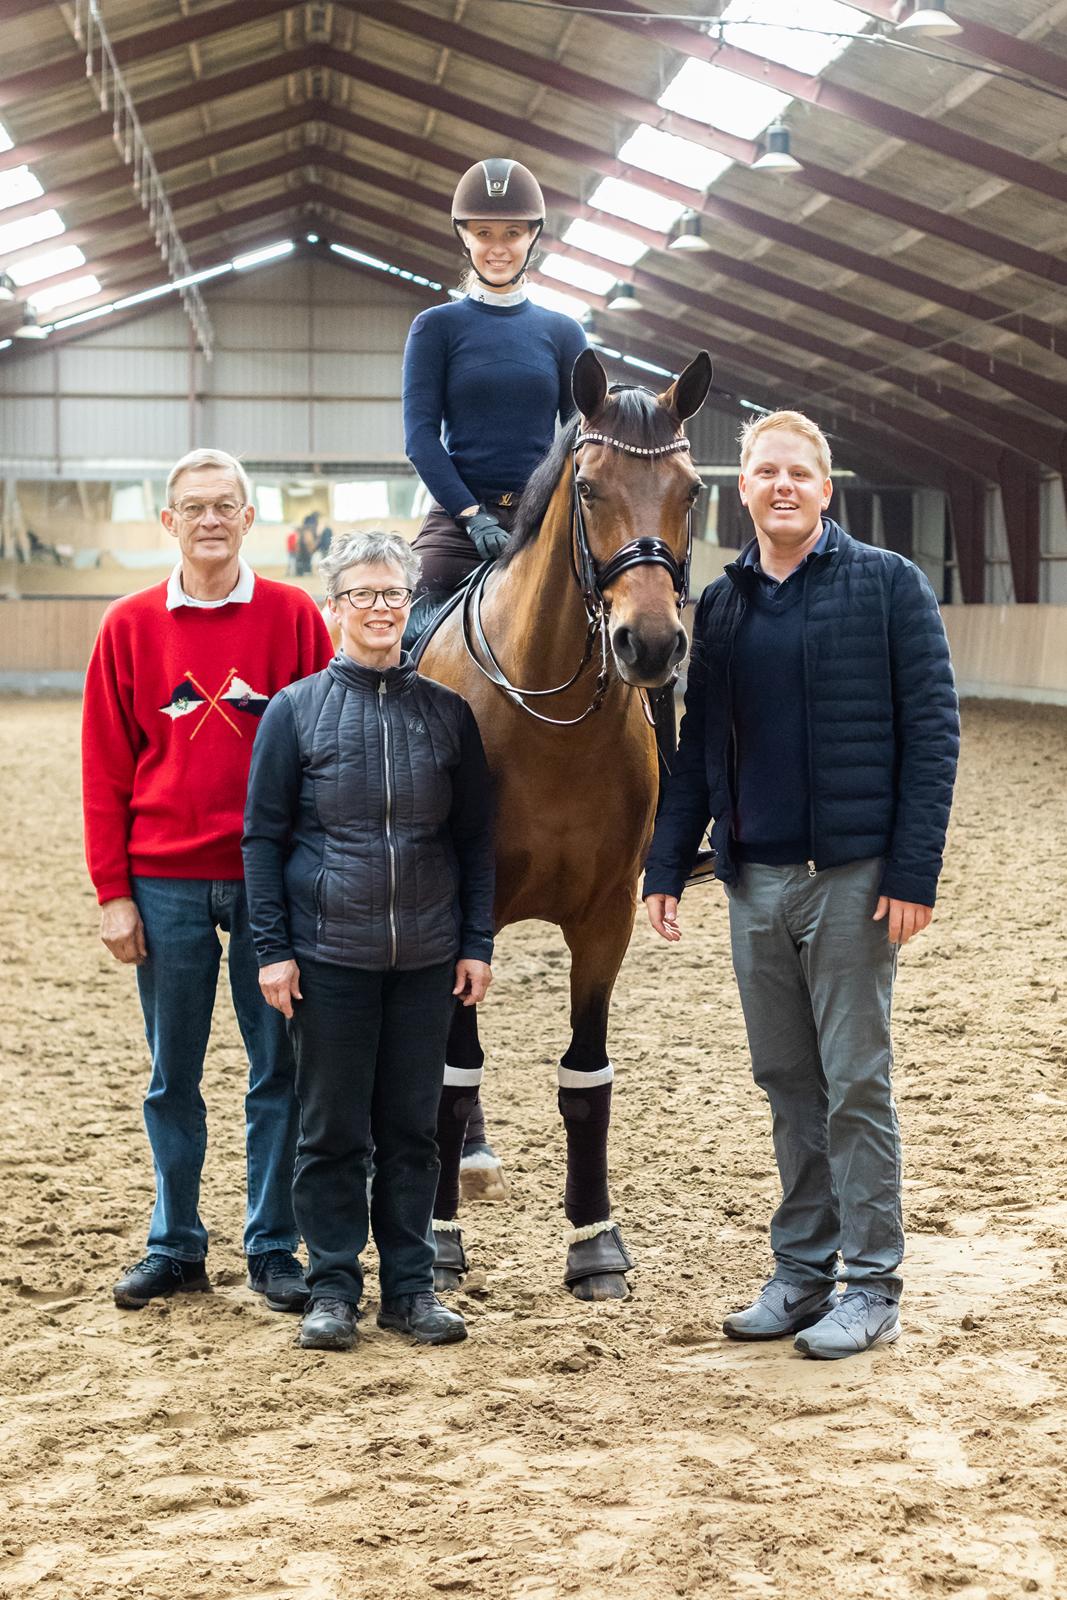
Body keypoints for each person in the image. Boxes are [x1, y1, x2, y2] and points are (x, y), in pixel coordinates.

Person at [643, 410, 959, 1361]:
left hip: (853, 881)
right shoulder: (725, 600)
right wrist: (667, 861)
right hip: (755, 882)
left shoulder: (887, 585)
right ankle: (800, 1271)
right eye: (764, 472)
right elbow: (699, 748)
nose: (781, 486)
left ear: (827, 489)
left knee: (854, 1082)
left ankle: (871, 1284)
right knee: (785, 1081)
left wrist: (911, 871)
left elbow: (933, 735)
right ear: (741, 489)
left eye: (799, 473)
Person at [82, 447, 334, 1312]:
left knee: (278, 1072)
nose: (211, 520)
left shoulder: (296, 617)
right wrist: (113, 891)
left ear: (250, 517)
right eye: (194, 507)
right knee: (172, 1074)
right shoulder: (127, 627)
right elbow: (105, 768)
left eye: (226, 504)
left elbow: (324, 751)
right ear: (169, 522)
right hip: (165, 881)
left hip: (268, 883)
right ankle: (176, 1243)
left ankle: (272, 1245)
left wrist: (313, 877)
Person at [242, 531, 495, 1353]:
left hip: (426, 956)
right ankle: (333, 1287)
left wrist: (476, 942)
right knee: (331, 1130)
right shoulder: (294, 711)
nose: (380, 610)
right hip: (327, 956)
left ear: (410, 605)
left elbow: (473, 843)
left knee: (413, 1130)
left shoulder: (448, 716)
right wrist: (272, 949)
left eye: (393, 596)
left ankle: (411, 1289)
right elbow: (263, 839)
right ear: (334, 608)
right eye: (363, 596)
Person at [402, 156, 588, 622]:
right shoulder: (435, 328)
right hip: (461, 520)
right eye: (484, 232)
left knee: (629, 610)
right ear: (464, 237)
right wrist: (470, 514)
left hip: (546, 516)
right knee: (404, 619)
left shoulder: (564, 333)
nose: (498, 247)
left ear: (533, 237)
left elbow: (577, 436)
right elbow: (420, 438)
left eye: (512, 233)